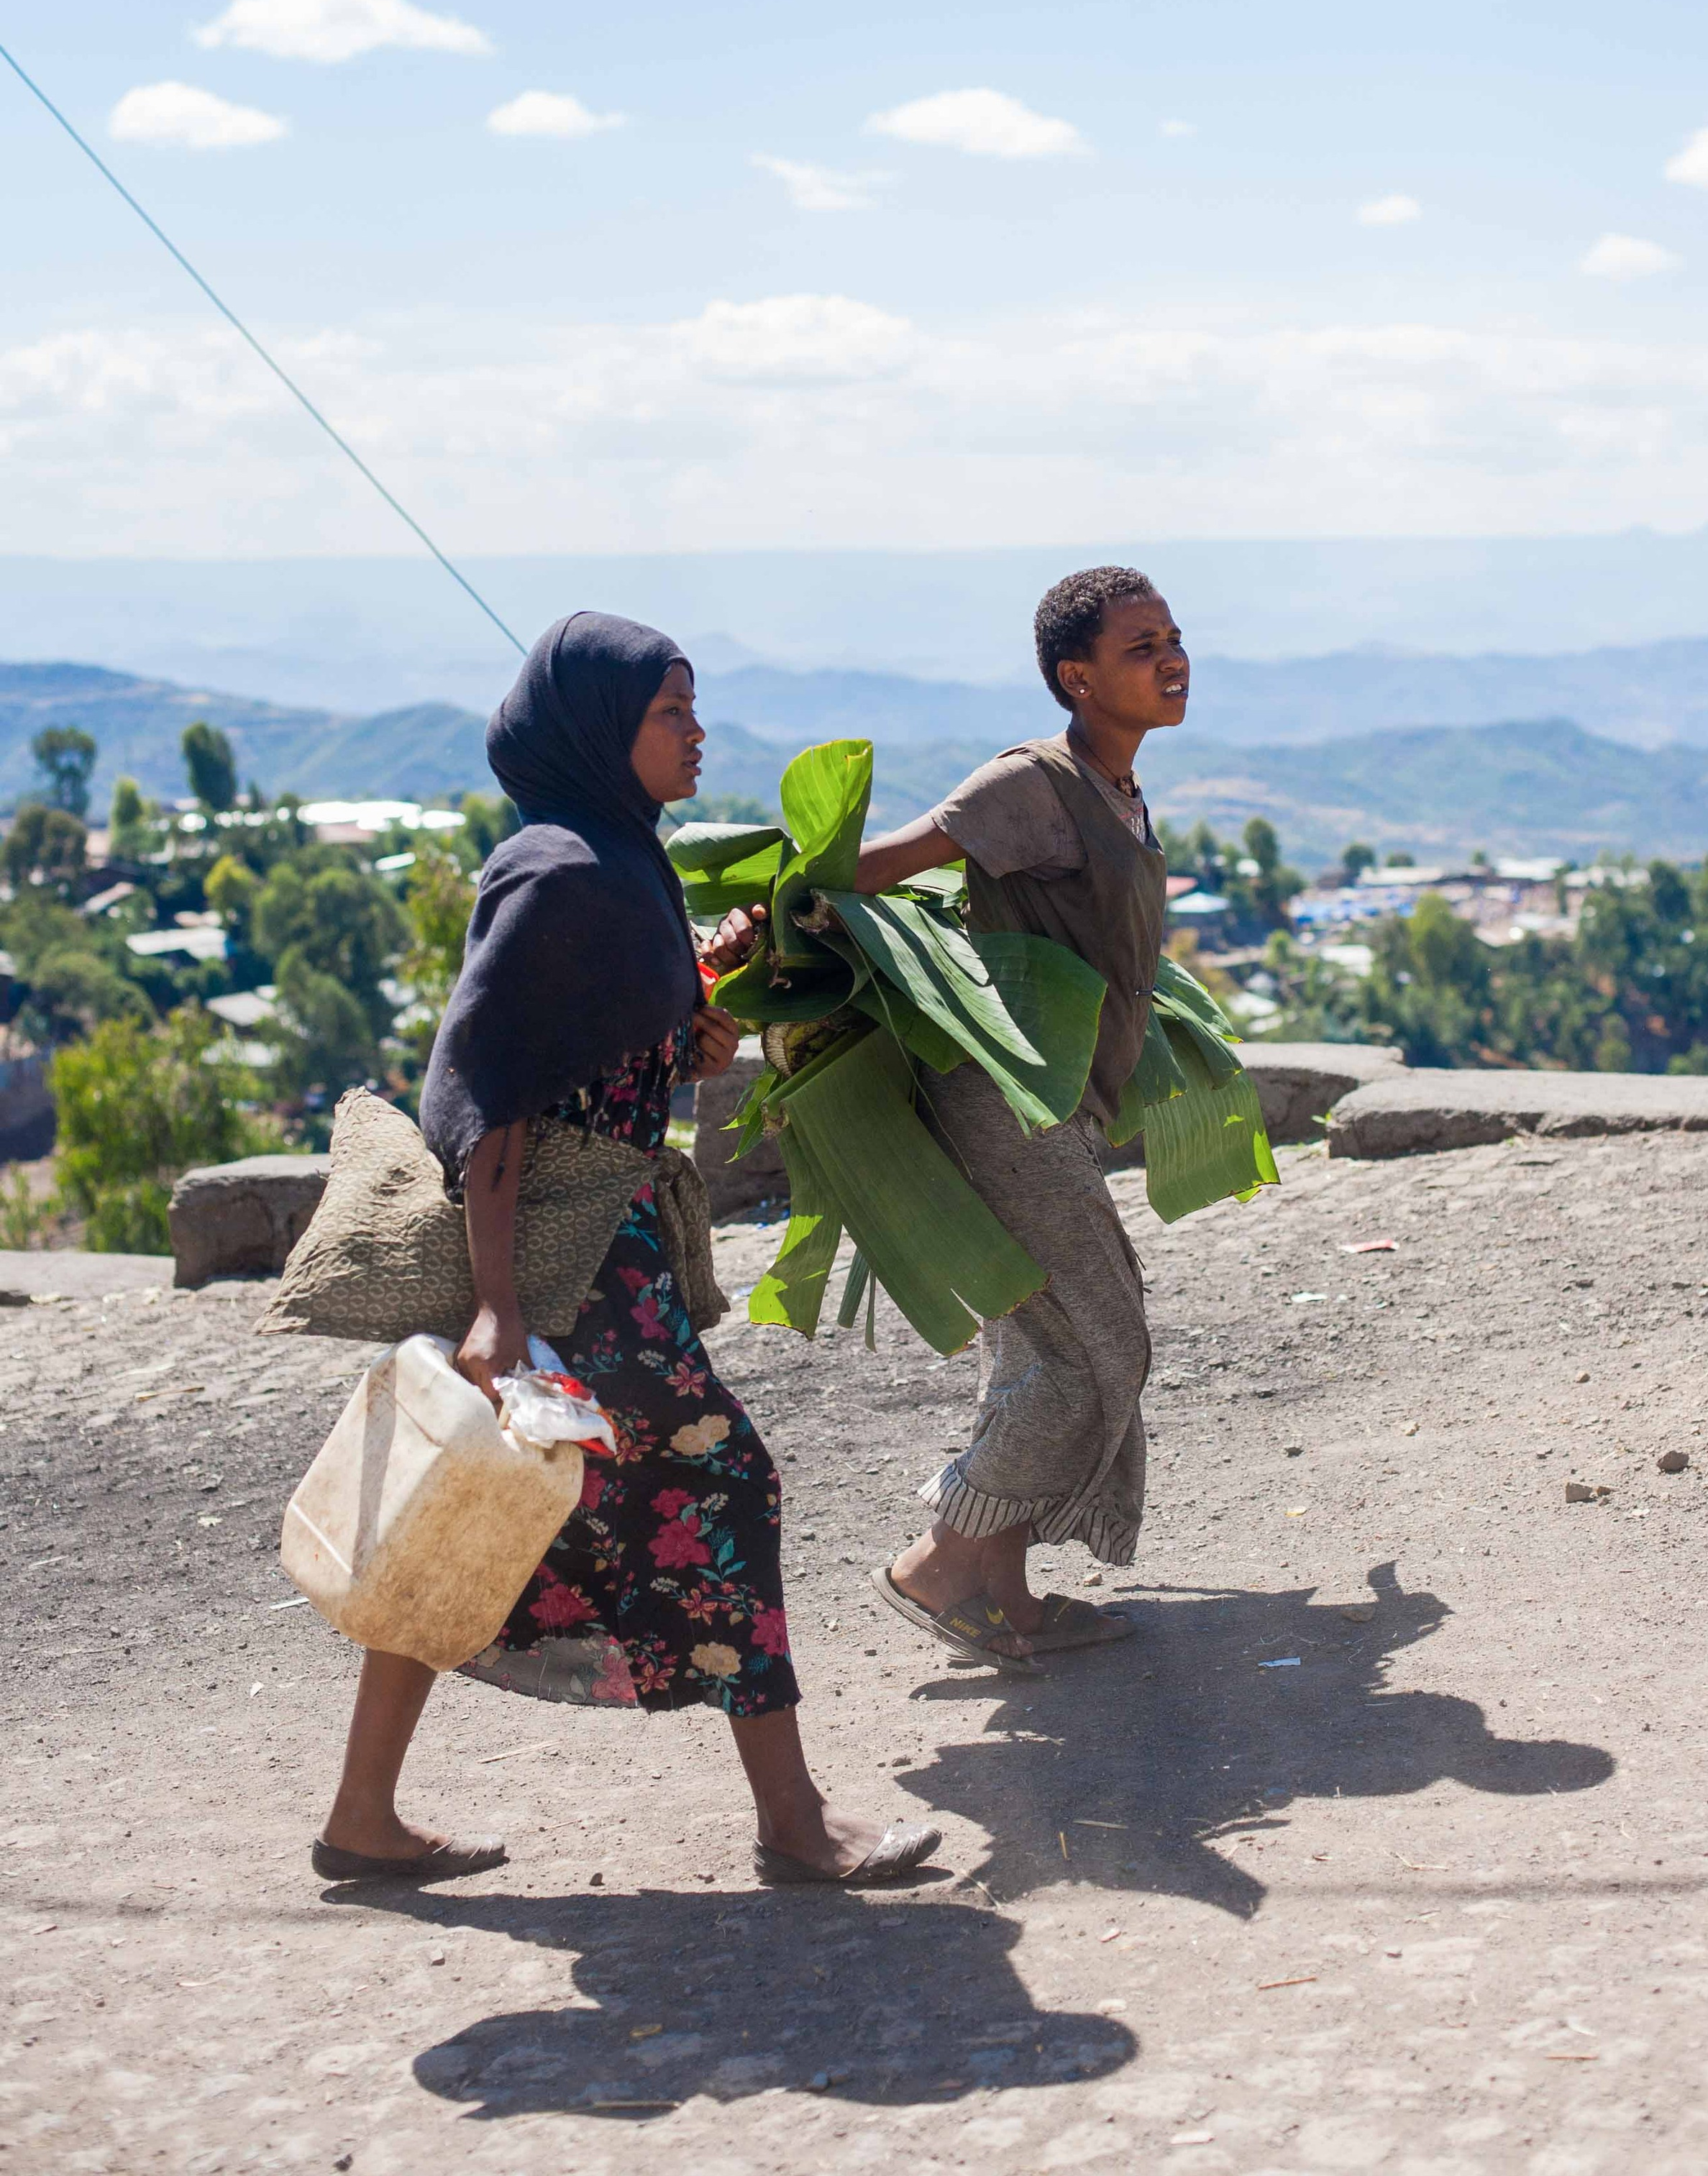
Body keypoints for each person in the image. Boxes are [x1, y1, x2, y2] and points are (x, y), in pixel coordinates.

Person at [312, 611, 939, 1888]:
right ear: (603, 730)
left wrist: (688, 1029)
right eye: (670, 712)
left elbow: (593, 1044)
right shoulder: (560, 878)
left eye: (693, 706)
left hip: (612, 1245)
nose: (698, 732)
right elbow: (493, 1094)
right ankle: (795, 1823)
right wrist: (499, 1306)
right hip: (573, 1261)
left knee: (477, 1507)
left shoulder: (620, 855)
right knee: (726, 1485)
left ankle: (361, 1817)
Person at [857, 566, 1187, 1665]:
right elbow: (875, 867)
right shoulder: (1032, 785)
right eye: (1141, 648)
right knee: (1101, 1346)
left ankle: (1001, 1594)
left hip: (1059, 1106)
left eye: (1173, 638)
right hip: (1003, 1105)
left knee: (1041, 1346)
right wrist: (762, 924)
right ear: (1075, 677)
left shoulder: (1115, 789)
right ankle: (943, 1557)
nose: (1172, 660)